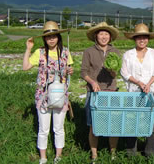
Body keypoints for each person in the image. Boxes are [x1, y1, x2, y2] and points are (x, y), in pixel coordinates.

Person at [23, 21, 74, 164]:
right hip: (43, 96)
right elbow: (26, 67)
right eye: (48, 36)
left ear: (58, 36)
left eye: (54, 36)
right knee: (43, 129)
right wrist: (28, 49)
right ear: (44, 39)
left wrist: (70, 70)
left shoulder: (65, 51)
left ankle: (58, 156)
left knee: (59, 128)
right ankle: (43, 157)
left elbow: (70, 69)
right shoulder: (39, 52)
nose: (51, 39)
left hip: (60, 95)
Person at [81, 22, 120, 163]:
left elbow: (116, 74)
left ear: (110, 37)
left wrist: (112, 71)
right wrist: (92, 82)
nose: (104, 36)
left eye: (106, 34)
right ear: (96, 36)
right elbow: (83, 72)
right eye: (101, 34)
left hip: (111, 91)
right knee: (93, 124)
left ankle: (113, 153)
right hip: (95, 93)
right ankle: (94, 155)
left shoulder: (115, 52)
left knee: (112, 123)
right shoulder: (89, 52)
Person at [121, 23, 154, 157]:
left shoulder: (153, 53)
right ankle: (131, 152)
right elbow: (124, 73)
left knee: (150, 122)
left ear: (148, 39)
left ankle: (149, 152)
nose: (142, 40)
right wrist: (139, 82)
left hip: (150, 93)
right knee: (132, 122)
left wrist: (148, 84)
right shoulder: (128, 54)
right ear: (134, 39)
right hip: (133, 93)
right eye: (139, 38)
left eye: (145, 37)